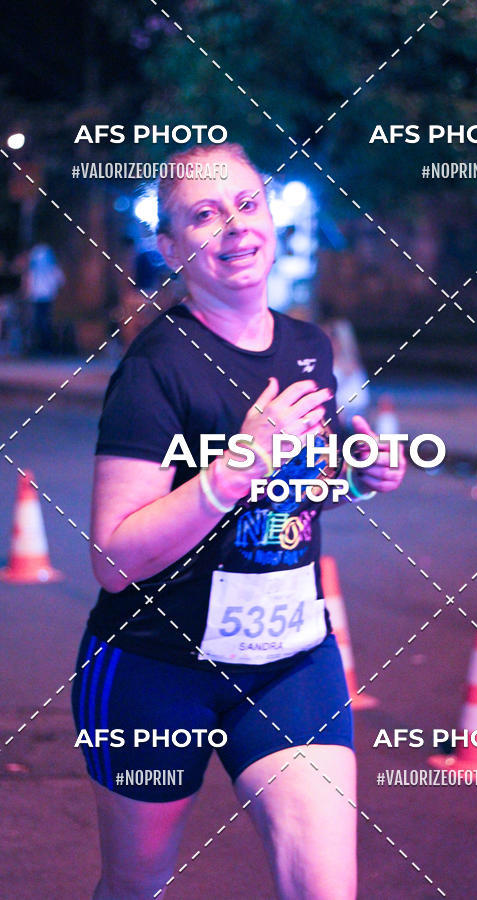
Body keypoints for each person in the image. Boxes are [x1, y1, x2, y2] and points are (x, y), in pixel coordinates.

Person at [71, 142, 405, 900]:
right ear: (171, 247)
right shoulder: (157, 368)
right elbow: (114, 558)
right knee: (137, 883)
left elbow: (309, 471)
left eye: (247, 205)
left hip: (290, 662)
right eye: (204, 215)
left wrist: (365, 470)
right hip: (156, 672)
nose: (235, 228)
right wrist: (233, 469)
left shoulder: (307, 345)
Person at [23, 243, 64, 354]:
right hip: (38, 298)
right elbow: (60, 280)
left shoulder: (49, 268)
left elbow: (60, 280)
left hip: (45, 298)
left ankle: (45, 347)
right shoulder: (39, 269)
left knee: (43, 322)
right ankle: (40, 347)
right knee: (39, 322)